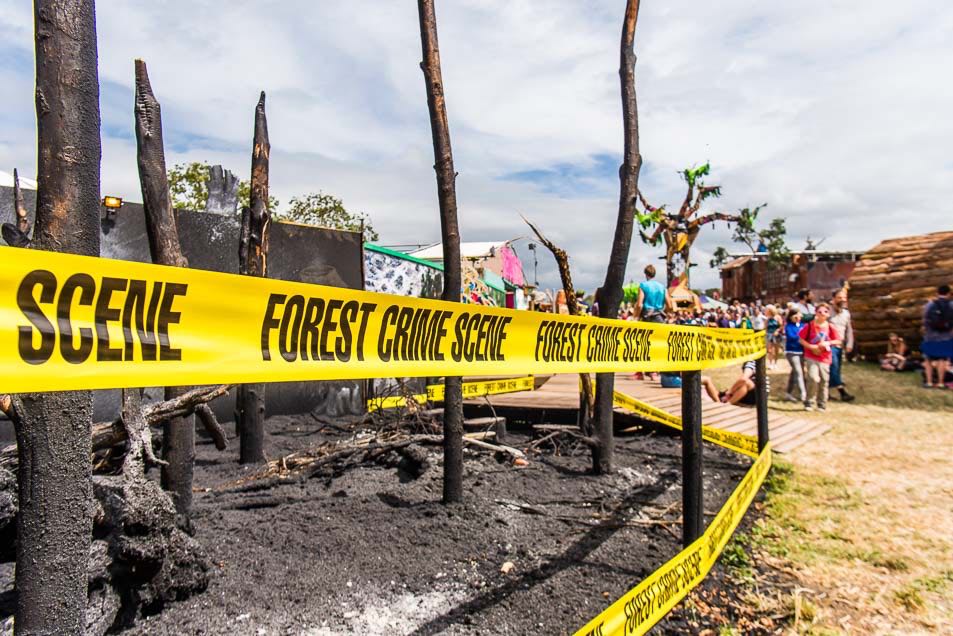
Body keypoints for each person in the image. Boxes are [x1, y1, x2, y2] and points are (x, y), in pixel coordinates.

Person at [799, 302, 841, 410]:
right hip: (811, 355)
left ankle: (821, 403)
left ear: (828, 313)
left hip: (824, 357)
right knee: (812, 378)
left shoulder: (830, 327)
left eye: (825, 312)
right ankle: (809, 402)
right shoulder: (809, 326)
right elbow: (801, 339)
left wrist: (828, 343)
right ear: (816, 313)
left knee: (824, 380)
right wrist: (811, 347)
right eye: (820, 311)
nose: (822, 314)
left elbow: (838, 340)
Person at [922, 284, 953, 389]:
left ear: (937, 293)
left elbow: (925, 319)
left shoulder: (930, 304)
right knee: (942, 360)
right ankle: (940, 383)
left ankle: (929, 382)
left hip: (930, 336)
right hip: (945, 337)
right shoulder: (951, 305)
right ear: (949, 293)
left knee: (928, 359)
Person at [828, 288, 856, 401]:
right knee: (833, 367)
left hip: (840, 345)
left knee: (836, 369)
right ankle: (842, 392)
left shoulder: (846, 313)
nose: (842, 300)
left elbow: (849, 329)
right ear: (833, 299)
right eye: (839, 297)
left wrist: (850, 343)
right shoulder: (827, 312)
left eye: (844, 297)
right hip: (829, 345)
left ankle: (826, 393)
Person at [701, 360, 769, 406]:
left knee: (746, 383)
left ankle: (726, 405)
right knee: (709, 382)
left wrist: (729, 392)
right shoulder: (756, 360)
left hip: (756, 396)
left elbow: (743, 379)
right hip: (758, 396)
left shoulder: (751, 361)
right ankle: (719, 403)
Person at [784, 308, 806, 402]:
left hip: (802, 351)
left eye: (799, 315)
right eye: (795, 315)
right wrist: (802, 337)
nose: (797, 317)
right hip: (792, 352)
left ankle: (788, 393)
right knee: (799, 372)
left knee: (794, 373)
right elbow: (792, 336)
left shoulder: (803, 325)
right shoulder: (788, 326)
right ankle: (803, 394)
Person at [765, 305, 782, 370]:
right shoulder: (767, 318)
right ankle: (771, 363)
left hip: (776, 335)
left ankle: (775, 363)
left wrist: (777, 331)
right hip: (769, 335)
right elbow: (765, 327)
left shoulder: (777, 317)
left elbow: (781, 326)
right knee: (770, 350)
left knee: (776, 350)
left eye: (767, 310)